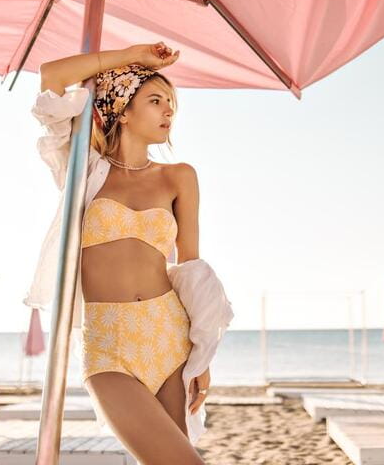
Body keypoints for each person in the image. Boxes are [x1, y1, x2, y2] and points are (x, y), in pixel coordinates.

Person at [26, 43, 232, 464]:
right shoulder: (83, 167)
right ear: (122, 108)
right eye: (155, 100)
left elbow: (190, 265)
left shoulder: (179, 176)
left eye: (171, 104)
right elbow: (51, 76)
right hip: (106, 343)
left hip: (169, 336)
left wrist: (203, 353)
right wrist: (134, 55)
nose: (168, 112)